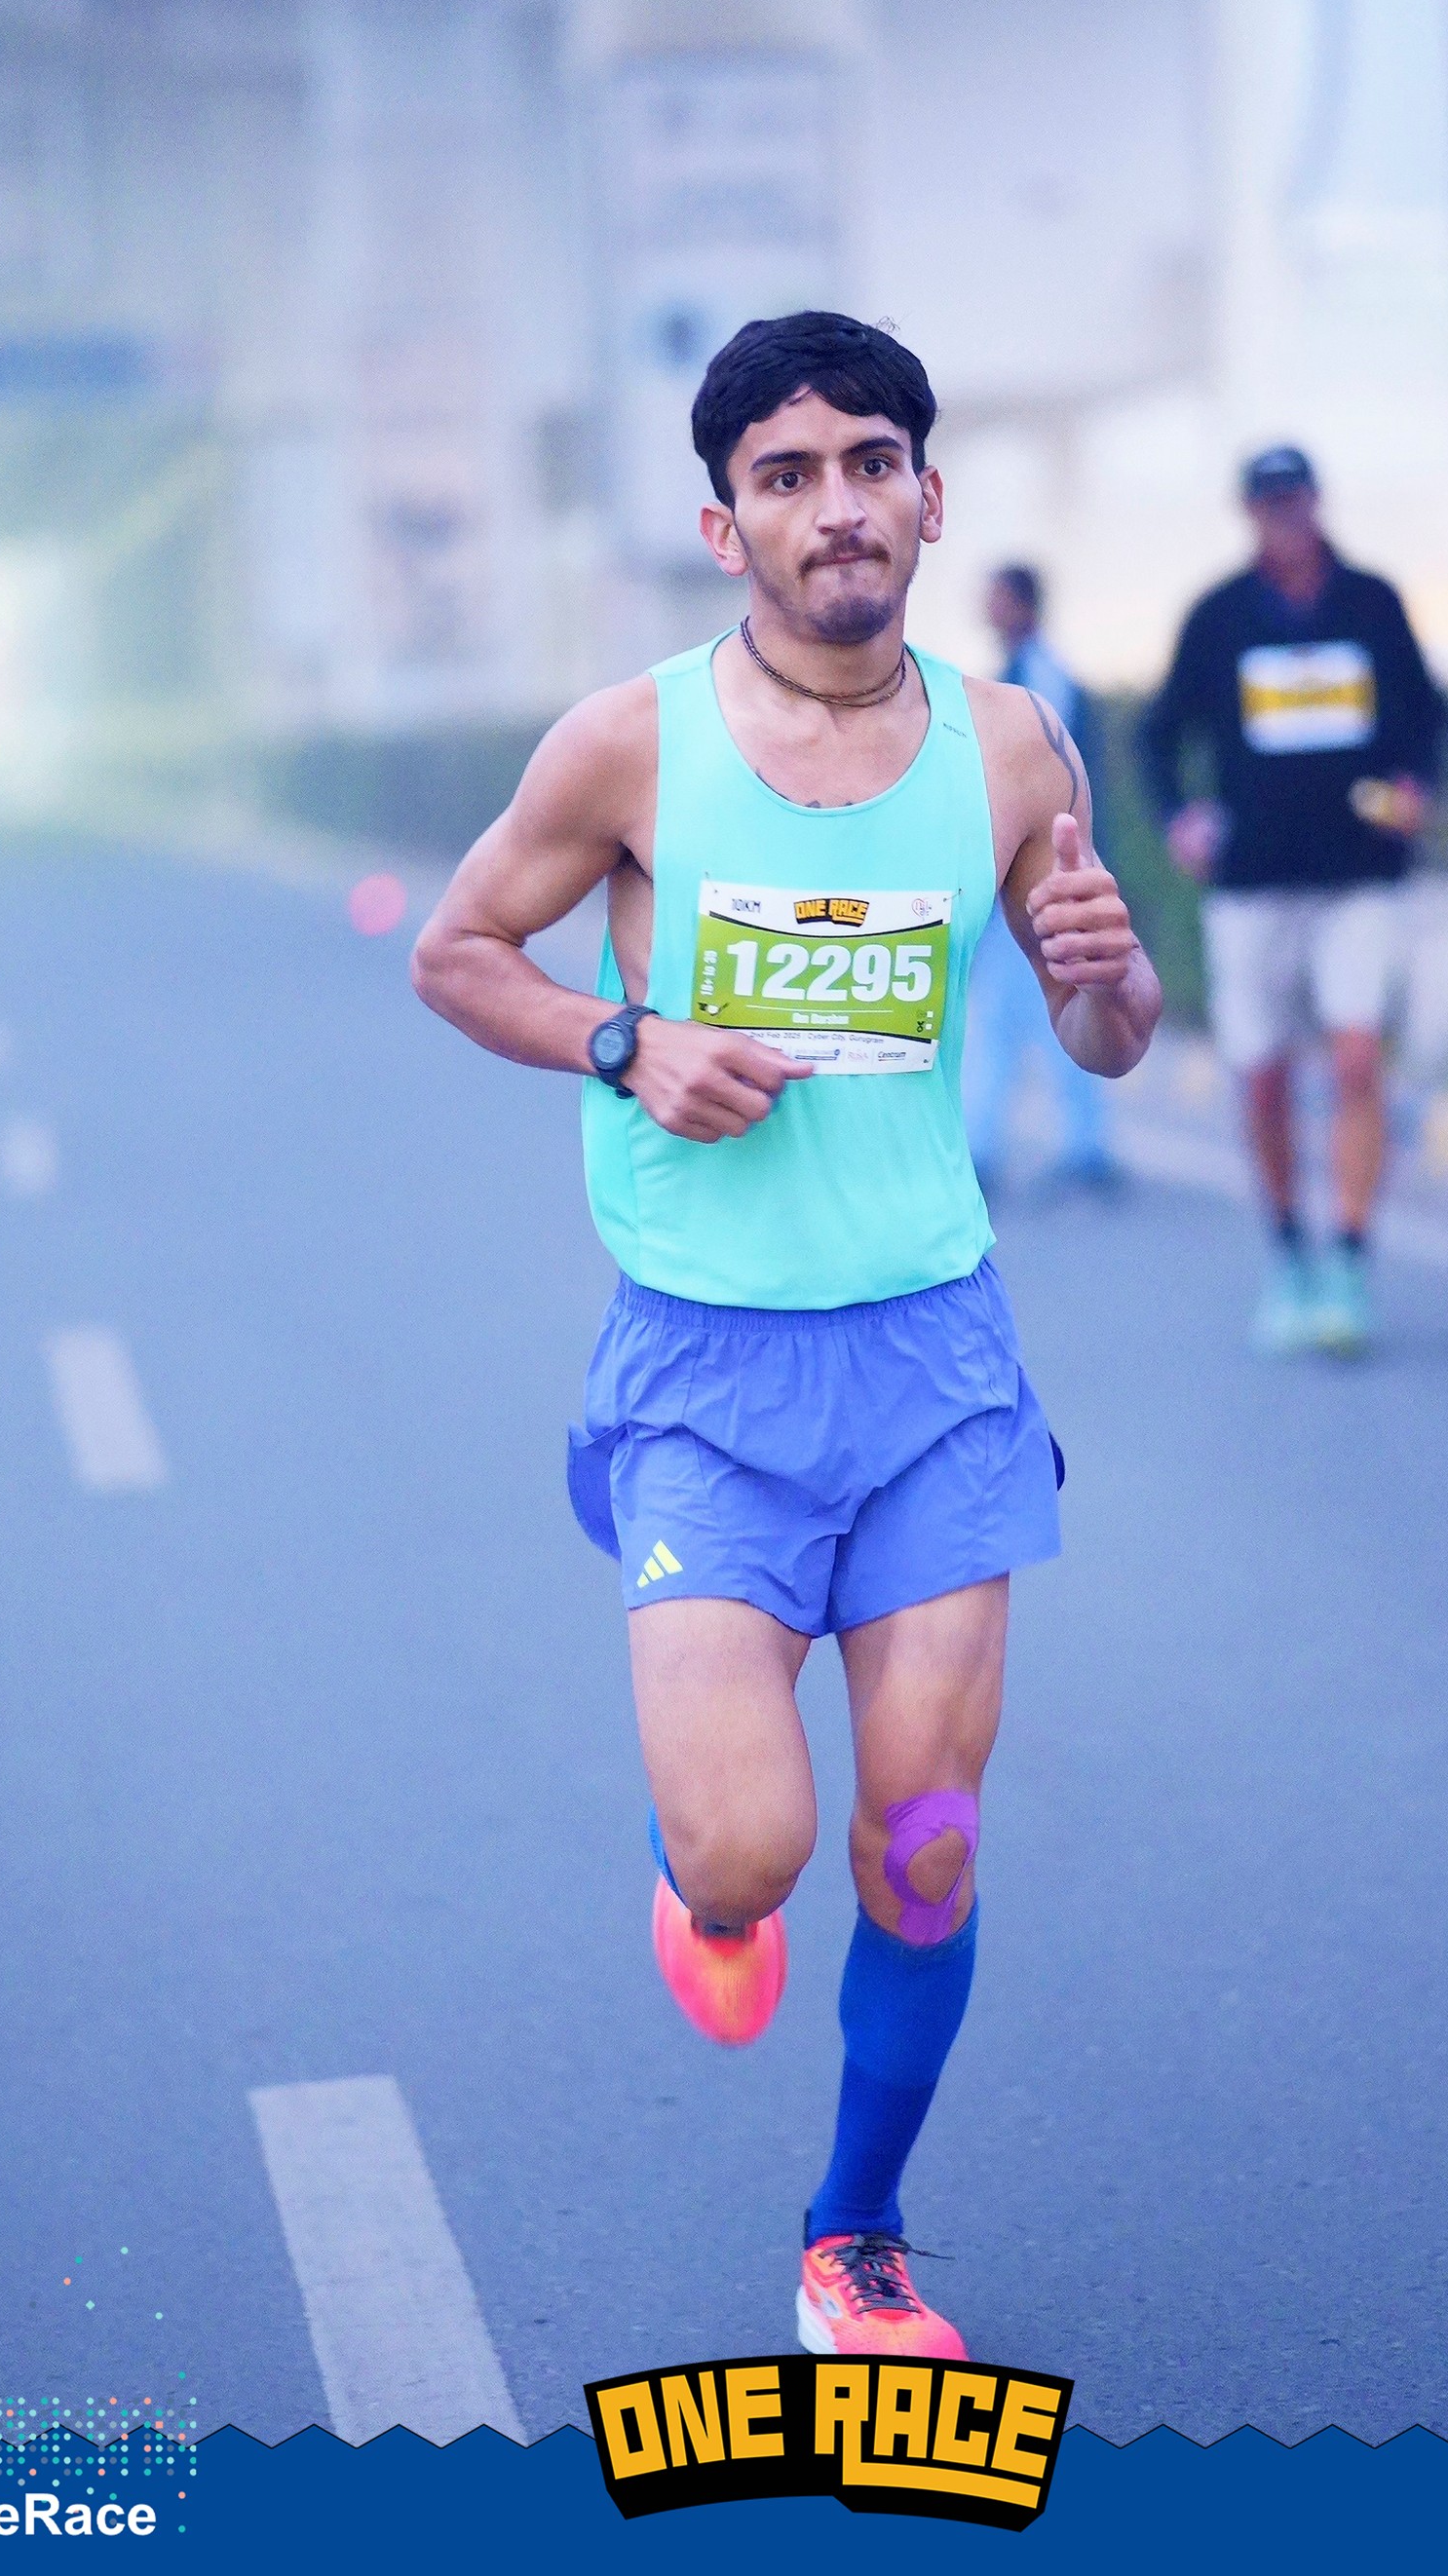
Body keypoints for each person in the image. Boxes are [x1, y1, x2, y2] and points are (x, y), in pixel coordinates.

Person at [413, 311, 1161, 2361]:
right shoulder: (626, 746)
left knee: (924, 1843)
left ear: (929, 495)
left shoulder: (1014, 747)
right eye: (786, 474)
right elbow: (457, 953)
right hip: (709, 1373)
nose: (837, 505)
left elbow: (1102, 1031)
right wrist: (624, 1041)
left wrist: (1111, 981)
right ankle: (708, 1889)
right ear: (722, 522)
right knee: (750, 1848)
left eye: (870, 463)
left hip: (934, 1362)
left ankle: (856, 2237)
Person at [1139, 445, 1448, 1356]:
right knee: (1264, 1076)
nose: (1284, 517)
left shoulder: (1371, 602)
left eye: (1295, 499)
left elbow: (1429, 718)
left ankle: (1349, 1258)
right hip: (1253, 884)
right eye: (1267, 504)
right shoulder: (1218, 615)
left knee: (1355, 1061)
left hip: (1359, 875)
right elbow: (1157, 735)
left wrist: (1417, 787)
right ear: (1248, 513)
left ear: (1317, 501)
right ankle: (1288, 1254)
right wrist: (1178, 819)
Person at [964, 567, 1120, 1197]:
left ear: (1023, 605)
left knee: (1046, 1014)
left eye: (998, 600)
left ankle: (1075, 1149)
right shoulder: (1020, 674)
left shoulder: (1034, 684)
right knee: (1019, 1019)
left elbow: (1058, 789)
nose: (989, 611)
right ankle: (1030, 1147)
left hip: (1038, 880)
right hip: (1025, 881)